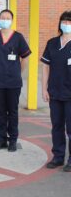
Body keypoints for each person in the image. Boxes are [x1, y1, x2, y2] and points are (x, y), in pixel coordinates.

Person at [0, 9, 31, 152]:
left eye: (7, 18)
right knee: (0, 111)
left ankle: (13, 140)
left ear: (12, 20)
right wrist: (0, 67)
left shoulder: (18, 37)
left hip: (13, 82)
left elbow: (25, 58)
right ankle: (1, 139)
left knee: (12, 111)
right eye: (2, 17)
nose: (4, 20)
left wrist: (17, 72)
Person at [41, 10, 71, 172]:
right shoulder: (52, 43)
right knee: (57, 126)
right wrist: (44, 88)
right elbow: (45, 66)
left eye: (69, 22)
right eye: (64, 21)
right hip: (55, 92)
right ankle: (58, 157)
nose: (66, 24)